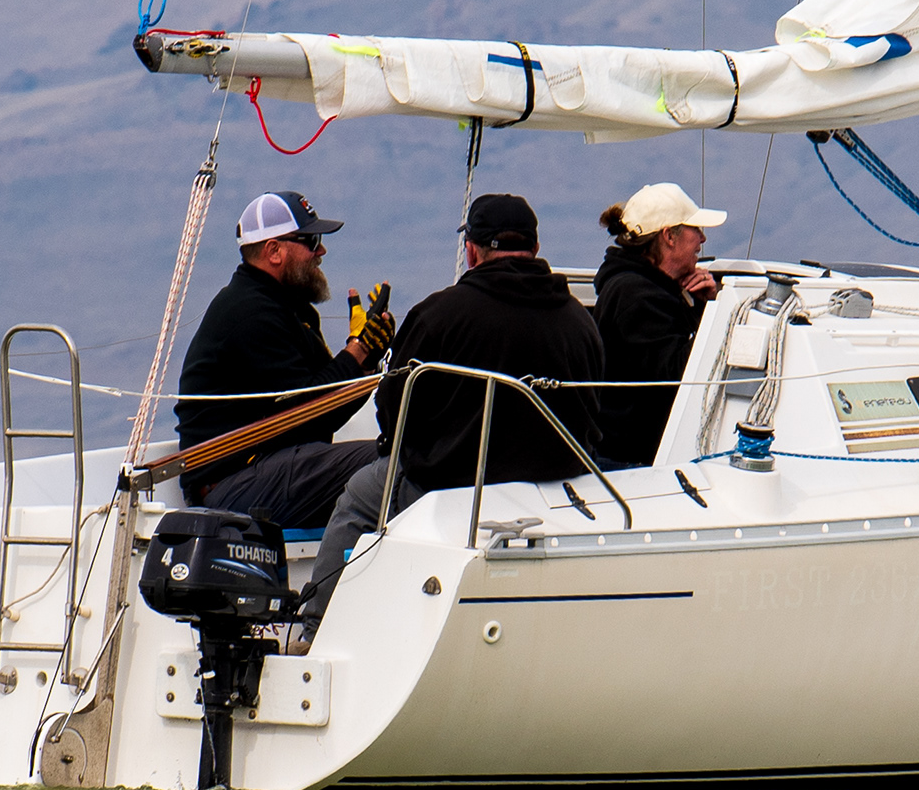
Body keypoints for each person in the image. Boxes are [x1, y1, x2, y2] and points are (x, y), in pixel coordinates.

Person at [297, 189, 607, 629]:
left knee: (359, 497)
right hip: (556, 486)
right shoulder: (580, 322)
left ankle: (316, 628)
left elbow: (393, 411)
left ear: (472, 252)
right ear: (535, 249)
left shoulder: (439, 315)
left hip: (455, 485)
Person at [173, 189, 385, 533]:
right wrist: (356, 352)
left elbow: (323, 409)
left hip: (270, 468)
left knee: (396, 458)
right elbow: (305, 412)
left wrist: (364, 359)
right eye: (311, 240)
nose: (321, 251)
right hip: (233, 483)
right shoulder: (249, 312)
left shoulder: (287, 309)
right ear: (274, 251)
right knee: (391, 463)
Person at [589, 181, 725, 468]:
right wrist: (716, 312)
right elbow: (678, 376)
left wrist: (703, 305)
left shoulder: (646, 288)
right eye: (695, 229)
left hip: (633, 458)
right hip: (633, 466)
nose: (702, 239)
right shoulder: (637, 296)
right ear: (669, 236)